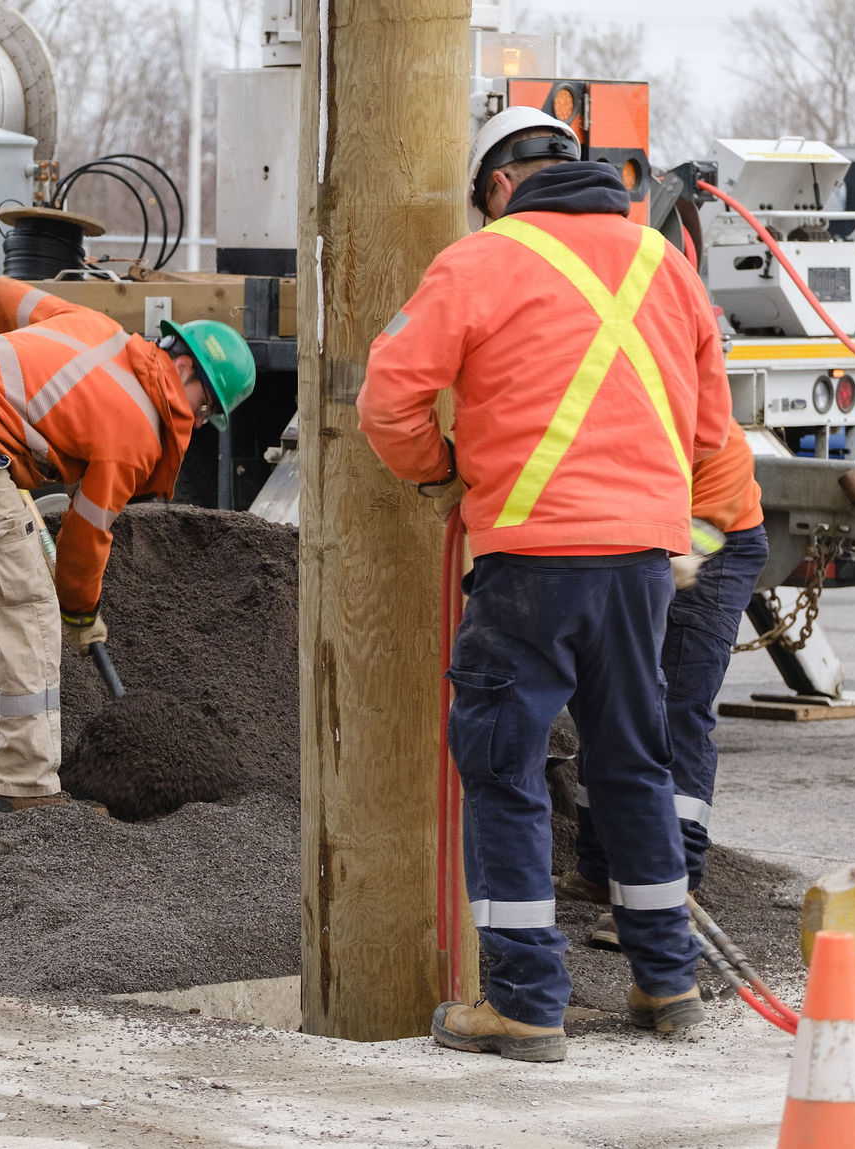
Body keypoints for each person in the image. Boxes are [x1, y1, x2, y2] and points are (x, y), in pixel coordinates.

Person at [357, 106, 731, 1062]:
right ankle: (666, 980)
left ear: (495, 186)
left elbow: (386, 396)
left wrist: (438, 468)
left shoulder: (480, 261)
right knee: (632, 765)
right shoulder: (664, 265)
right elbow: (708, 435)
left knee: (504, 763)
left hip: (529, 559)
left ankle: (524, 1003)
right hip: (644, 562)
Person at [0, 275, 255, 819]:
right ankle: (25, 786)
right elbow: (86, 539)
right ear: (183, 371)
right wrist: (80, 613)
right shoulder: (136, 432)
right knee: (30, 609)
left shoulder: (96, 326)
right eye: (205, 411)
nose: (199, 425)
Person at [564, 422, 771, 943]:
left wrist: (672, 563)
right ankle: (599, 867)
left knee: (676, 703)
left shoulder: (709, 432)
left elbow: (709, 515)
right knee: (603, 695)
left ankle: (668, 885)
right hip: (636, 542)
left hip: (713, 545)